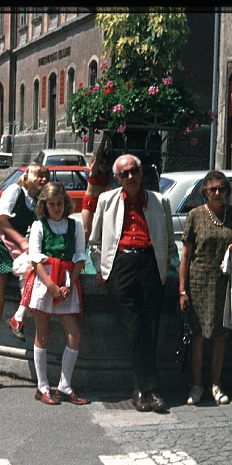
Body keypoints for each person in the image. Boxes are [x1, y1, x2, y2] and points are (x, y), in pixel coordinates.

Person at [88, 154, 177, 413]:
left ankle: (141, 391)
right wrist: (102, 269)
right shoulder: (107, 201)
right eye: (124, 173)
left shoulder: (160, 202)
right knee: (133, 327)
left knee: (151, 327)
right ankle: (151, 389)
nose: (130, 177)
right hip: (121, 266)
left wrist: (166, 265)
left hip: (150, 265)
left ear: (141, 172)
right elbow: (94, 242)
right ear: (117, 179)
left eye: (134, 171)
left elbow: (170, 242)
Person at [0, 164, 50, 391]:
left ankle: (18, 318)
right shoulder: (14, 192)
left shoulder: (36, 200)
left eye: (46, 176)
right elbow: (1, 222)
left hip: (19, 253)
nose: (43, 180)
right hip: (1, 250)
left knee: (33, 279)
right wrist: (23, 241)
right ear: (28, 176)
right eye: (40, 176)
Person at [177, 171, 232, 406]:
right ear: (205, 192)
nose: (217, 193)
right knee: (197, 336)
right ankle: (196, 385)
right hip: (199, 281)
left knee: (219, 336)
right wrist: (182, 290)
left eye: (222, 189)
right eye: (213, 189)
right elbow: (185, 255)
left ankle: (216, 384)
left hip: (223, 282)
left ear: (227, 192)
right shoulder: (195, 215)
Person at [19, 182, 89, 405]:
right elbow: (36, 258)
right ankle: (42, 387)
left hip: (67, 280)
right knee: (43, 334)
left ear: (65, 203)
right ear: (45, 205)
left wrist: (71, 283)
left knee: (74, 335)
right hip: (45, 281)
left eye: (60, 203)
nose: (56, 207)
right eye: (52, 204)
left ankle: (64, 386)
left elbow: (79, 256)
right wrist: (50, 286)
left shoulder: (75, 226)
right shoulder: (39, 226)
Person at [81, 131, 113, 244]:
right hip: (90, 201)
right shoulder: (94, 172)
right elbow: (98, 156)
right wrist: (104, 139)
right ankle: (82, 255)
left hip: (101, 203)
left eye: (106, 163)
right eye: (101, 163)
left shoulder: (109, 174)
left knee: (102, 231)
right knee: (86, 231)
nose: (104, 165)